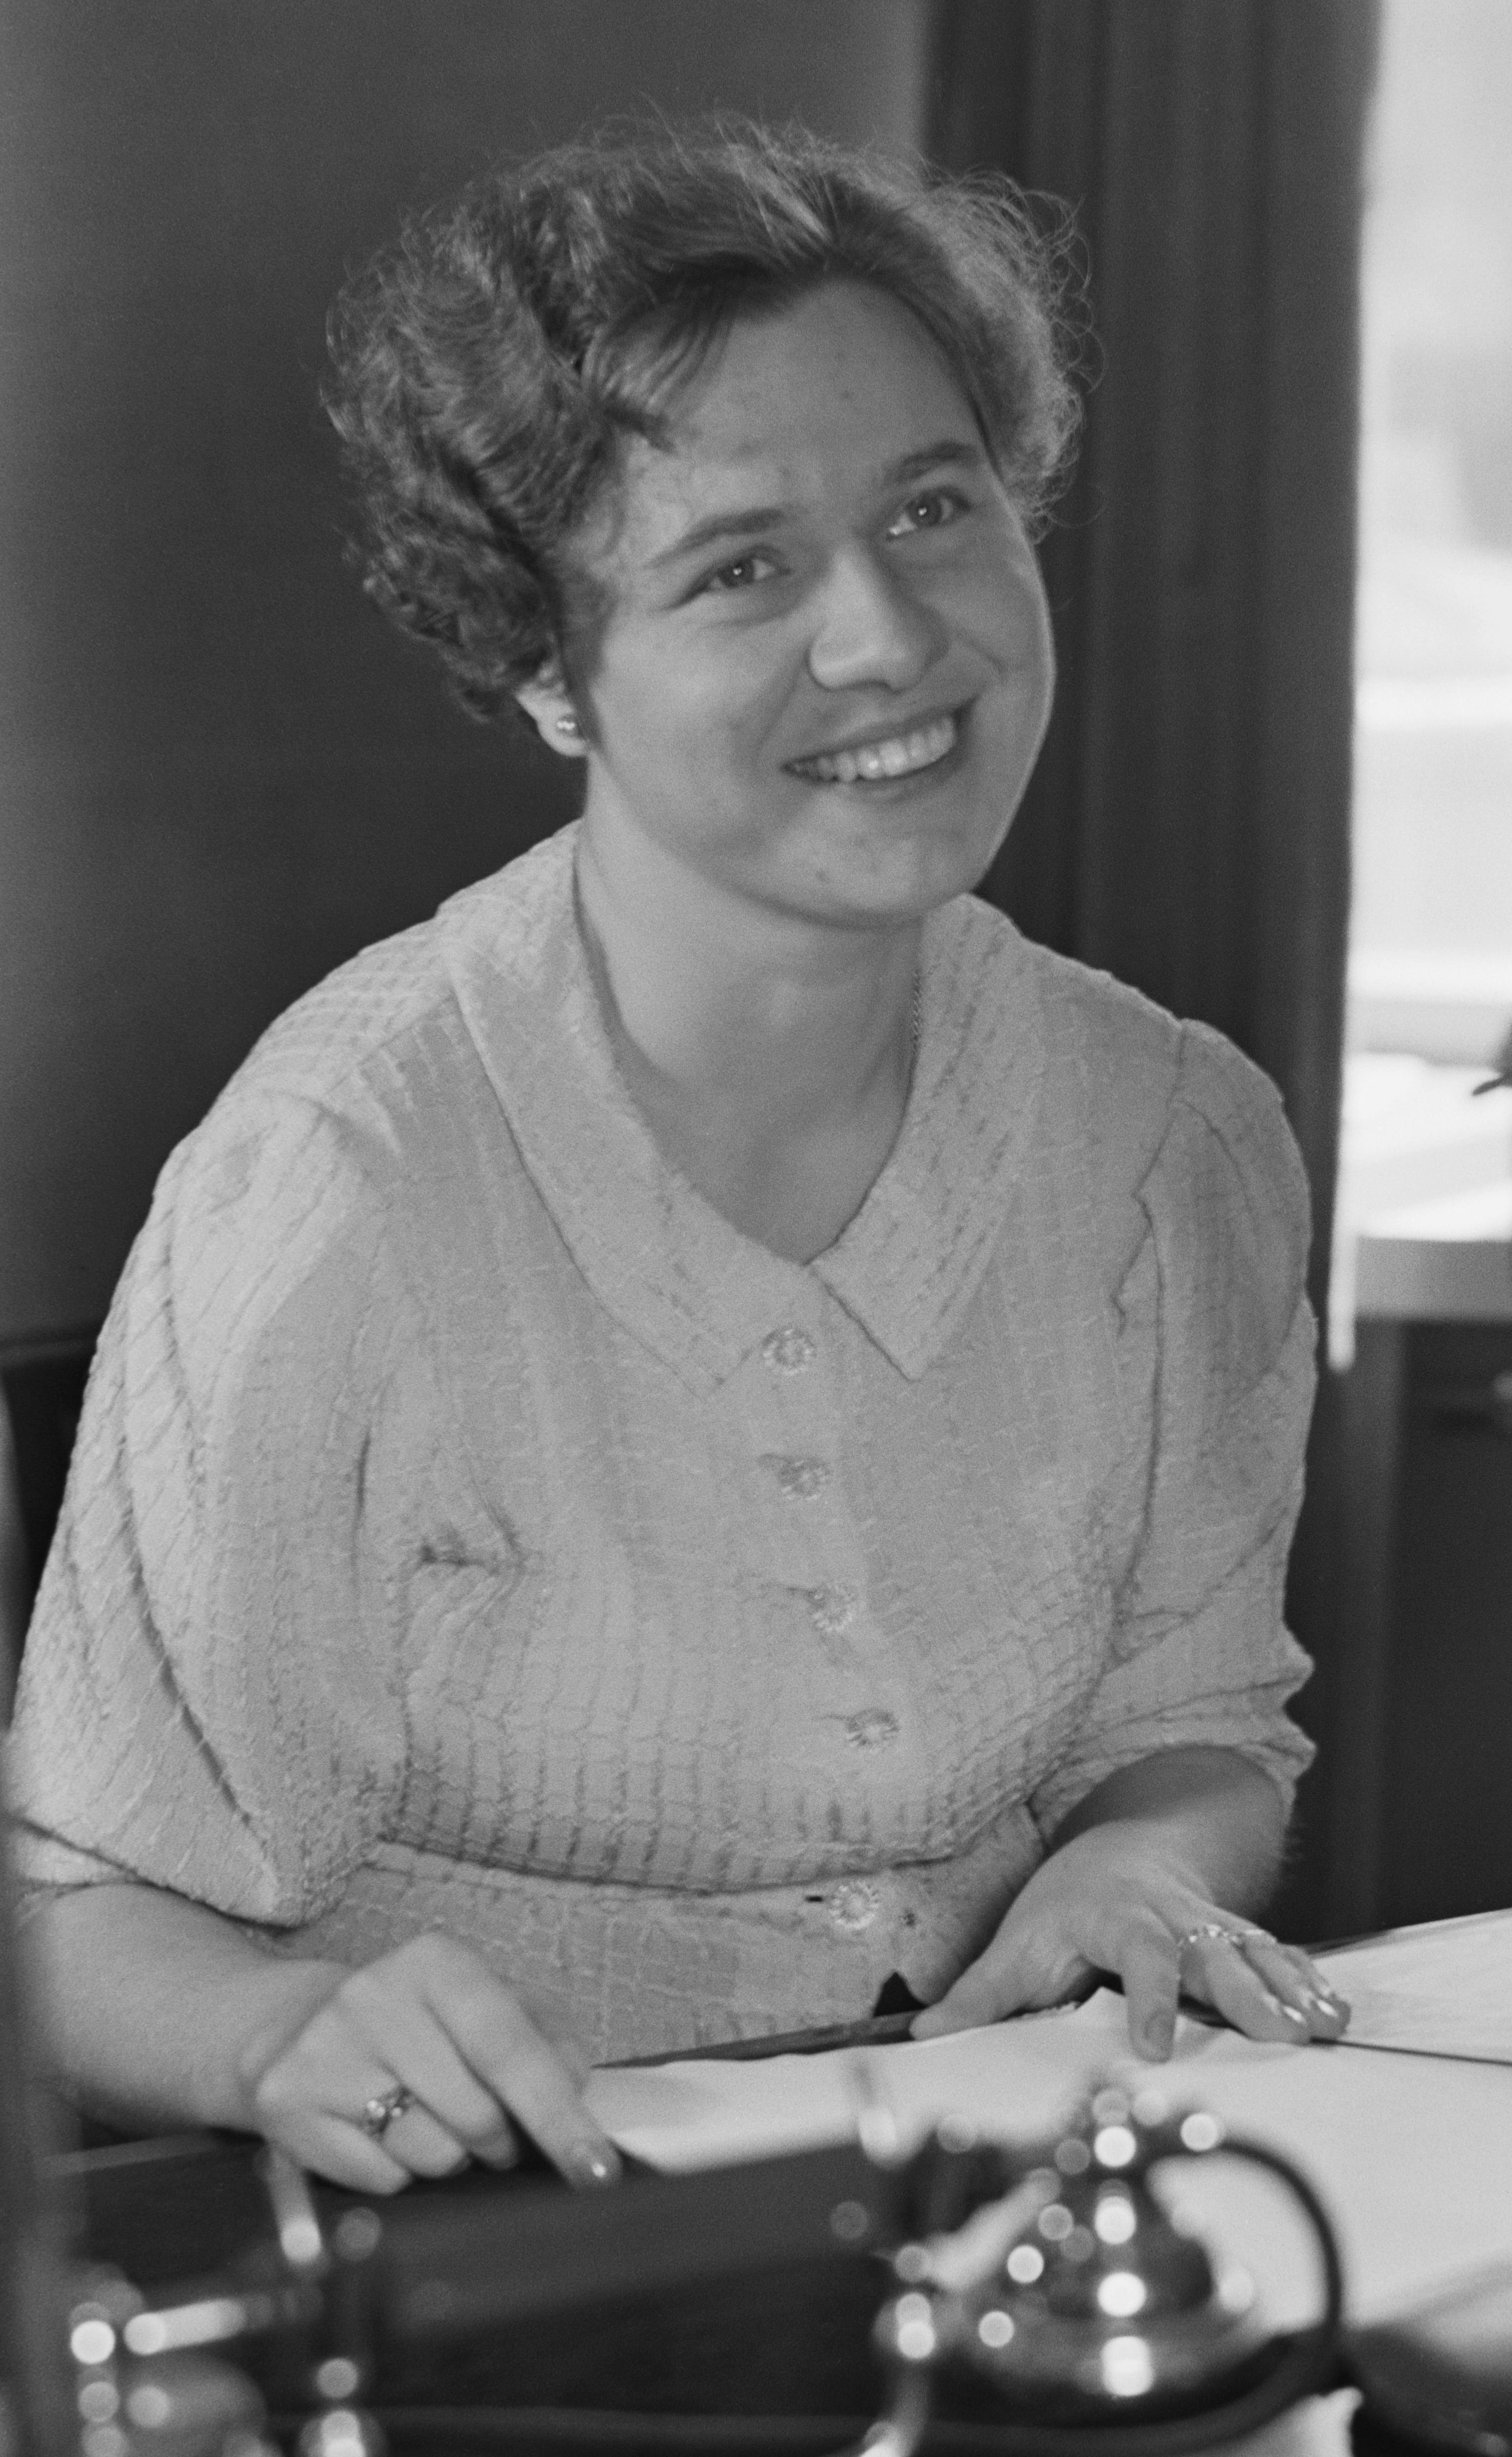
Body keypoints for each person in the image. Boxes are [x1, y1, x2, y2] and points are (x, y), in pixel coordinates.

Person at [10, 117, 1346, 2198]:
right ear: (545, 667)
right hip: (504, 2300)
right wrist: (282, 2032)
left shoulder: (1174, 1140)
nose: (887, 638)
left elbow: (1194, 1722)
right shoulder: (337, 1192)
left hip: (1038, 2230)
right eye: (741, 568)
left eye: (936, 507)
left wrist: (1138, 1872)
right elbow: (72, 1914)